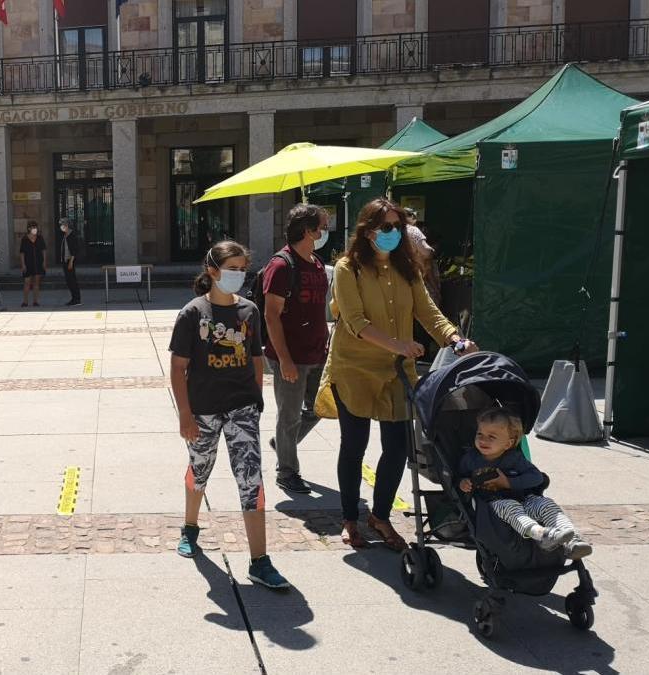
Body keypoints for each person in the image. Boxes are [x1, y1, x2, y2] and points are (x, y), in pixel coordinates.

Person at [315, 198, 476, 551]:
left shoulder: (407, 270)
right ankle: (349, 518)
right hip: (354, 367)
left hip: (396, 372)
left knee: (397, 446)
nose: (393, 234)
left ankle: (380, 515)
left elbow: (429, 313)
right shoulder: (347, 267)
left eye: (398, 228)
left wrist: (456, 339)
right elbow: (356, 322)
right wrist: (398, 344)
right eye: (386, 228)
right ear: (368, 230)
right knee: (354, 445)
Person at [170, 239, 291, 590]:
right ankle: (190, 527)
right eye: (231, 268)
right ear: (212, 271)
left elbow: (256, 360)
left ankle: (260, 561)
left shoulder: (249, 311)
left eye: (242, 269)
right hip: (203, 410)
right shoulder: (192, 313)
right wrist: (185, 415)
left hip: (241, 410)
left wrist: (255, 400)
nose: (238, 275)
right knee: (200, 470)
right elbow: (179, 368)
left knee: (251, 480)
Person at [459, 407, 593, 560]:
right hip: (492, 505)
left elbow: (537, 477)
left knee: (546, 504)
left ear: (508, 444)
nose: (483, 440)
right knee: (510, 507)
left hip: (524, 499)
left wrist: (508, 482)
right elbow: (458, 478)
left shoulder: (514, 459)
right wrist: (463, 483)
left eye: (492, 436)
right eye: (480, 434)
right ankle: (541, 535)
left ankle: (572, 540)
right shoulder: (470, 460)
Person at [262, 204, 330, 494]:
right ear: (308, 231)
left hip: (317, 352)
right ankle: (287, 471)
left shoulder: (315, 262)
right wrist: (285, 360)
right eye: (322, 226)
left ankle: (283, 444)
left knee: (319, 408)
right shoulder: (281, 265)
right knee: (289, 416)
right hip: (290, 356)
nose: (326, 230)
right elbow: (271, 315)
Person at [19, 221, 46, 307]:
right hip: (28, 263)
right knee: (27, 282)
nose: (35, 229)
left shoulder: (40, 238)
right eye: (33, 227)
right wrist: (23, 264)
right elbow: (22, 253)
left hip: (38, 262)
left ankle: (35, 301)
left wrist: (44, 262)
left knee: (36, 283)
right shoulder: (25, 239)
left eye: (36, 227)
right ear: (29, 229)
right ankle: (25, 301)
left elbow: (44, 250)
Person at [59, 218, 82, 307]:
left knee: (72, 280)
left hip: (69, 261)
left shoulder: (71, 235)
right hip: (65, 260)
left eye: (62, 224)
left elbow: (74, 250)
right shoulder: (65, 235)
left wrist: (71, 262)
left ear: (67, 225)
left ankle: (76, 299)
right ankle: (74, 298)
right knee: (69, 281)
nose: (61, 226)